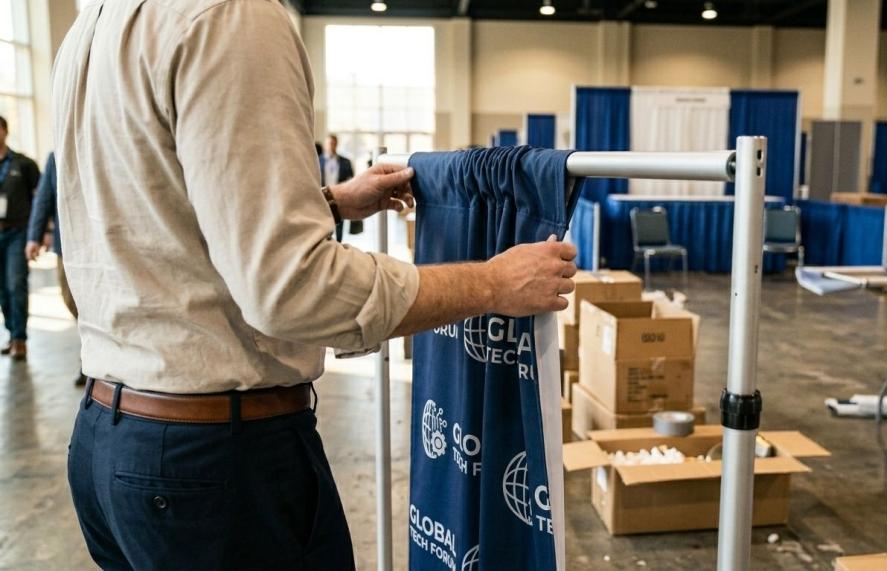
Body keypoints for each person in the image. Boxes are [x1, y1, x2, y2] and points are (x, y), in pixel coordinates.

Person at [53, 2, 576, 569]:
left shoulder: (96, 24)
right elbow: (293, 290)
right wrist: (491, 283)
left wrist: (323, 204)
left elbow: (154, 226)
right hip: (210, 463)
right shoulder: (227, 14)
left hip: (108, 442)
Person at [26, 152, 86, 385]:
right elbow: (44, 198)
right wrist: (34, 237)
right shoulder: (56, 156)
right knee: (71, 300)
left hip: (105, 244)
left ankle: (91, 364)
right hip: (67, 244)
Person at [0, 115, 40, 361]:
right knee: (2, 289)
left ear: (5, 131)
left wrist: (41, 232)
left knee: (16, 283)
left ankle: (20, 339)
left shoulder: (23, 164)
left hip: (18, 232)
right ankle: (10, 333)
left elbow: (41, 197)